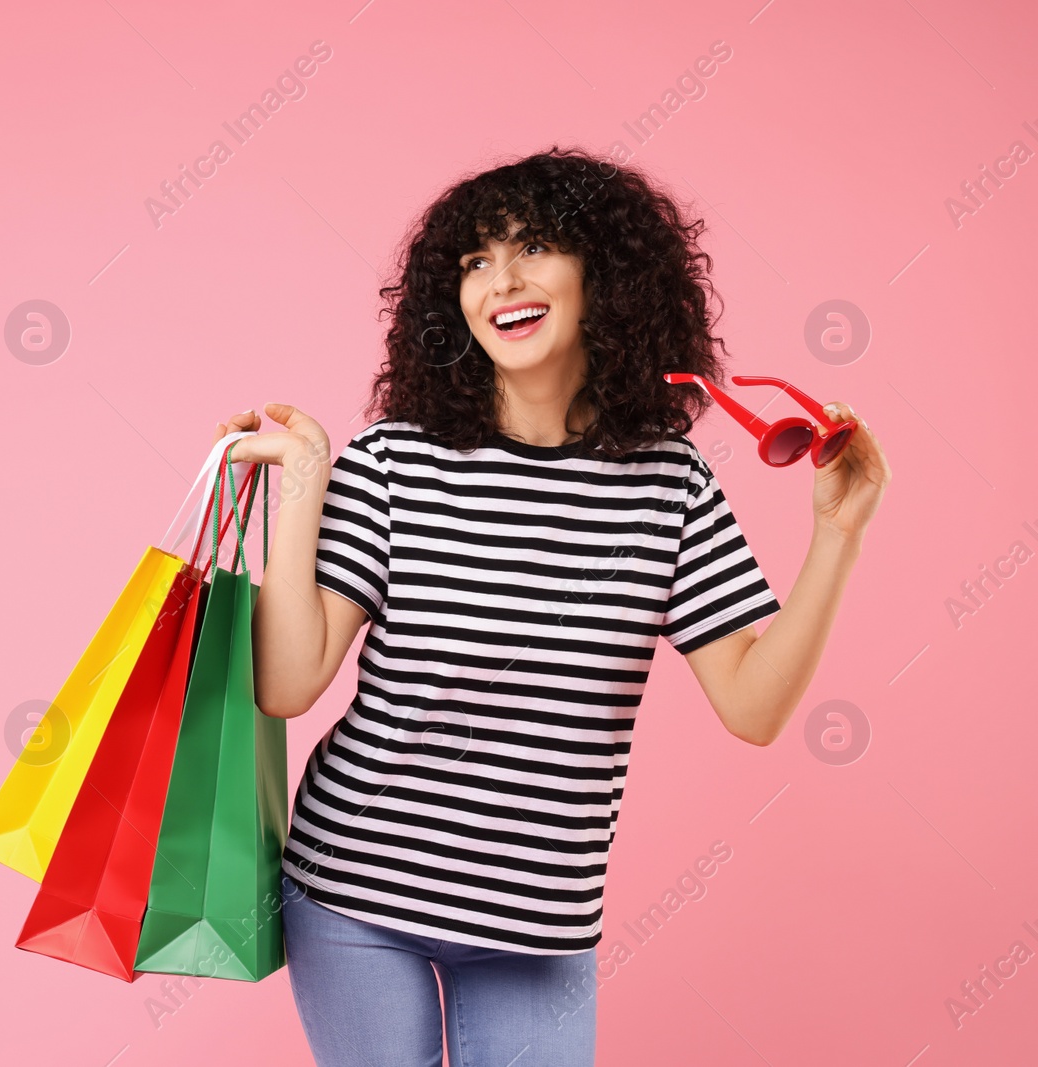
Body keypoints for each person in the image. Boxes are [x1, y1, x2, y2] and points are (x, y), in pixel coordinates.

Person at [213, 147, 891, 1067]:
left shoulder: (670, 483)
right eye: (476, 262)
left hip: (539, 921)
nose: (504, 281)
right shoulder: (393, 462)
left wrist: (837, 532)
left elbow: (754, 707)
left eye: (534, 247)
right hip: (354, 892)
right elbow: (289, 683)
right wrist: (306, 480)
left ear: (602, 277)